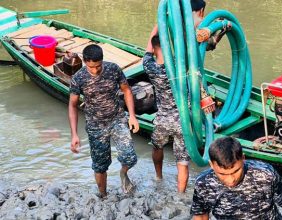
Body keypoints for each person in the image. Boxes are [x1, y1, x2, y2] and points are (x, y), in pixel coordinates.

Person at [68, 44, 139, 198]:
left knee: (130, 157)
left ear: (102, 60)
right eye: (91, 67)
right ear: (85, 61)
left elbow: (126, 90)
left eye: (98, 66)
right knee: (100, 166)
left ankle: (123, 173)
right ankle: (103, 195)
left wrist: (132, 116)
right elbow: (73, 105)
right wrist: (74, 134)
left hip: (117, 119)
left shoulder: (113, 69)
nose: (95, 70)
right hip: (95, 126)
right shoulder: (78, 78)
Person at [191, 137, 282, 220]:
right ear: (211, 164)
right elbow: (201, 215)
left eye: (236, 171)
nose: (231, 179)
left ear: (243, 158)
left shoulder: (264, 175)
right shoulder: (203, 184)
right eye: (222, 174)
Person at [143, 26, 191, 193]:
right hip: (183, 120)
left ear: (156, 49)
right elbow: (187, 43)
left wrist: (157, 25)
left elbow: (149, 48)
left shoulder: (150, 67)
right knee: (183, 160)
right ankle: (181, 194)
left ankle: (158, 177)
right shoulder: (181, 65)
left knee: (157, 146)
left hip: (163, 119)